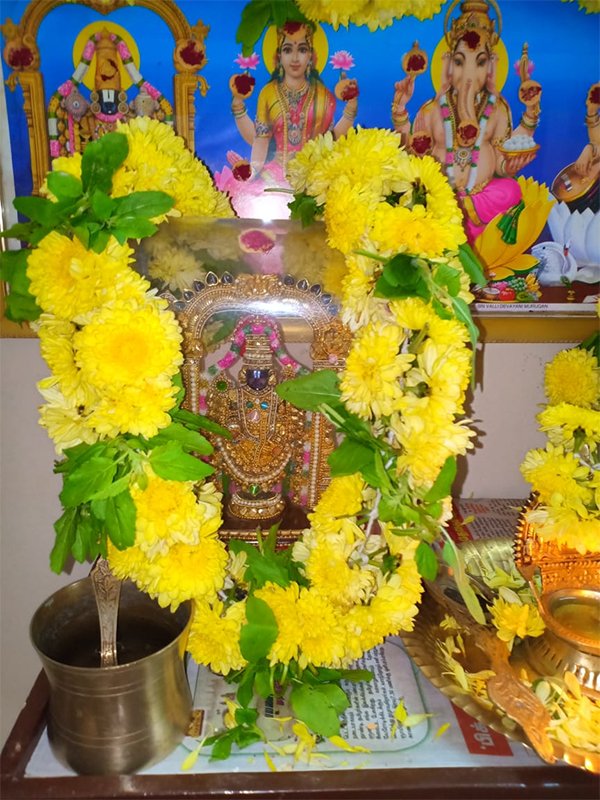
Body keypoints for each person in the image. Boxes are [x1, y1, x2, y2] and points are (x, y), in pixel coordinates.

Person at [391, 0, 540, 244]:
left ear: (490, 66)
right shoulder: (432, 109)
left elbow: (500, 163)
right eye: (460, 62)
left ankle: (465, 229)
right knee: (415, 193)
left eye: (479, 63)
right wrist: (400, 108)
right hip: (441, 199)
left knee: (511, 190)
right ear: (449, 65)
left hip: (482, 200)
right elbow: (410, 151)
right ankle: (455, 226)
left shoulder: (497, 109)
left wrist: (511, 166)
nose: (469, 74)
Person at [220, 21, 358, 216]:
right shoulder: (268, 93)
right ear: (279, 56)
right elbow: (261, 138)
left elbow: (332, 139)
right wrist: (253, 171)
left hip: (314, 175)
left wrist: (351, 108)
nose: (294, 58)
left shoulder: (324, 96)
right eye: (287, 50)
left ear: (310, 56)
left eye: (302, 49)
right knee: (239, 191)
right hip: (273, 174)